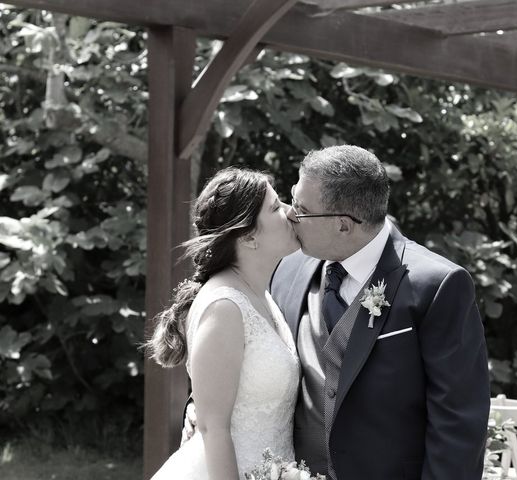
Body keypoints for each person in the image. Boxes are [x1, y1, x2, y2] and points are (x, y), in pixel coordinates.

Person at [184, 146, 490, 479]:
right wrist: (201, 407)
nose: (290, 215)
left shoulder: (438, 286)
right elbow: (236, 354)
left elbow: (458, 425)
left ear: (343, 225)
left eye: (301, 208)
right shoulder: (284, 269)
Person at [146, 167, 301, 479]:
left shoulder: (261, 295)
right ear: (248, 236)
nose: (290, 211)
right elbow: (213, 429)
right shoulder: (225, 307)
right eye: (275, 207)